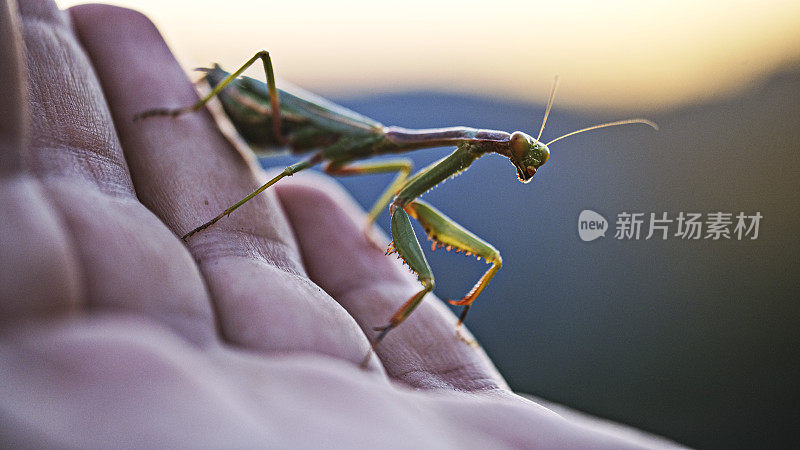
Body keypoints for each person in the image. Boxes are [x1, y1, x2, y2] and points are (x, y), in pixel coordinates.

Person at [0, 1, 683, 447]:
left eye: (520, 156)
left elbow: (403, 197)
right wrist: (219, 179)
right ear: (488, 143)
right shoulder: (408, 147)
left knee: (421, 212)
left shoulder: (413, 163)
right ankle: (187, 120)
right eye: (515, 153)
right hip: (270, 114)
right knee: (299, 133)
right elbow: (378, 189)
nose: (518, 160)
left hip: (308, 138)